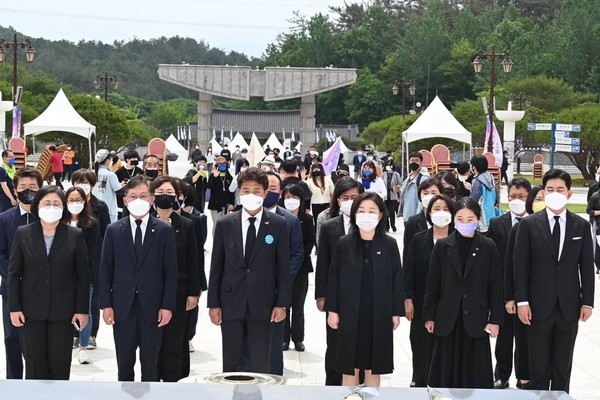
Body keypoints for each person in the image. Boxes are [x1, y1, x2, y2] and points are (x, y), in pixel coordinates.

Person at [514, 169, 594, 393]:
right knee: (538, 368)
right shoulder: (529, 225)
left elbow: (586, 267)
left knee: (562, 367)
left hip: (569, 307)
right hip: (537, 307)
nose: (555, 193)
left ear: (569, 194)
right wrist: (522, 301)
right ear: (543, 191)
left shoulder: (581, 225)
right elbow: (520, 266)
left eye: (560, 189)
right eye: (550, 189)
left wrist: (587, 302)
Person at [207, 167, 291, 373]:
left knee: (260, 362)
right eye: (245, 190)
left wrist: (282, 304)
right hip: (231, 302)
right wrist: (213, 303)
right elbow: (216, 265)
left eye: (256, 190)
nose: (250, 195)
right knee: (232, 361)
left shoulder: (278, 224)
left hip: (263, 303)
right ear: (239, 192)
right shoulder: (226, 223)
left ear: (265, 193)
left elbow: (283, 268)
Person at [99, 175, 178, 381]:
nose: (138, 200)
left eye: (143, 195)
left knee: (150, 364)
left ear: (152, 199)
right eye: (133, 196)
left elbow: (170, 272)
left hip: (152, 307)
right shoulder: (114, 230)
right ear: (125, 201)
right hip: (122, 306)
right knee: (124, 364)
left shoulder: (164, 230)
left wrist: (167, 306)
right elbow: (105, 270)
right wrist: (106, 305)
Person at [8, 186, 89, 380]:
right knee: (34, 364)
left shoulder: (74, 235)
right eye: (47, 203)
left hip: (63, 310)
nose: (51, 207)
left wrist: (82, 309)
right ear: (37, 206)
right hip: (31, 310)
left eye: (56, 203)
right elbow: (13, 273)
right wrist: (14, 307)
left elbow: (83, 276)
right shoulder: (23, 233)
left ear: (63, 207)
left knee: (60, 363)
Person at [423, 197, 503, 388]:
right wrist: (429, 317)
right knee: (445, 373)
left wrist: (495, 319)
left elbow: (495, 285)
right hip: (447, 318)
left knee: (475, 374)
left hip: (476, 318)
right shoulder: (443, 246)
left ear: (477, 219)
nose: (465, 223)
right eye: (460, 219)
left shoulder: (488, 246)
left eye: (470, 219)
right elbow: (432, 285)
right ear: (453, 219)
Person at [326, 192, 404, 387]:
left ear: (380, 215)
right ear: (354, 215)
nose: (366, 215)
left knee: (373, 365)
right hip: (349, 313)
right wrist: (332, 310)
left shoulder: (389, 244)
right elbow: (333, 279)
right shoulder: (344, 243)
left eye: (372, 211)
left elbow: (397, 280)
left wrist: (396, 312)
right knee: (349, 364)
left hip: (379, 313)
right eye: (361, 211)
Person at [248, 171, 303, 375]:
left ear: (279, 193)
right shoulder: (240, 216)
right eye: (266, 188)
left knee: (273, 342)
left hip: (276, 290)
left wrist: (282, 279)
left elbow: (297, 253)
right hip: (248, 291)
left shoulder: (288, 220)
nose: (268, 192)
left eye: (273, 189)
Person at [315, 176, 364, 385]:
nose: (350, 201)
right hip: (337, 296)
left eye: (355, 197)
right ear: (338, 199)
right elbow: (323, 263)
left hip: (364, 295)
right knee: (335, 345)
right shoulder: (329, 226)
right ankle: (333, 387)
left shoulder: (370, 224)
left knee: (362, 345)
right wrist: (321, 295)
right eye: (346, 197)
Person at [151, 176, 200, 382]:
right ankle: (153, 378)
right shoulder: (143, 222)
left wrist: (193, 292)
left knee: (174, 340)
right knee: (152, 341)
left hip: (179, 291)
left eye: (170, 193)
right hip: (150, 291)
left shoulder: (187, 225)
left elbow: (193, 261)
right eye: (160, 193)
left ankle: (173, 382)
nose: (165, 197)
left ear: (178, 196)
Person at [404, 194, 454, 387]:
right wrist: (408, 299)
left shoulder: (457, 239)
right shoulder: (419, 239)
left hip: (448, 303)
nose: (440, 213)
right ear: (428, 213)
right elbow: (409, 271)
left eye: (445, 209)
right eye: (436, 209)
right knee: (421, 344)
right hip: (422, 303)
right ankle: (419, 379)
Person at [486, 177, 531, 389]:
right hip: (504, 291)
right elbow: (493, 262)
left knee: (525, 339)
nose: (517, 200)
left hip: (529, 293)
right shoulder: (497, 224)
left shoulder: (536, 223)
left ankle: (524, 376)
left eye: (521, 196)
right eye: (513, 196)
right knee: (504, 338)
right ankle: (501, 375)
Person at [0, 167, 43, 379]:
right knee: (12, 338)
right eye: (23, 187)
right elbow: (1, 253)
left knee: (37, 342)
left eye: (33, 187)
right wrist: (14, 274)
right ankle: (14, 383)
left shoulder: (47, 219)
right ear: (15, 190)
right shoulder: (4, 219)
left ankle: (37, 384)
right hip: (12, 289)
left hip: (41, 290)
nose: (28, 191)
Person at [503, 185, 542, 391]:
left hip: (547, 298)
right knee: (523, 340)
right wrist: (511, 297)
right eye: (539, 198)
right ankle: (524, 378)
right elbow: (511, 264)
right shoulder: (522, 226)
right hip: (523, 296)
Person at [71, 169, 111, 351]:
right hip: (70, 263)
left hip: (95, 259)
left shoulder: (100, 207)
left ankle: (91, 335)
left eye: (85, 182)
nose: (82, 185)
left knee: (93, 301)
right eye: (78, 181)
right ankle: (74, 335)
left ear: (92, 184)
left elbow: (107, 233)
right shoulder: (68, 205)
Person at [65, 186, 100, 365]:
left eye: (78, 200)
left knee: (85, 311)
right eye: (71, 200)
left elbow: (90, 251)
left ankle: (84, 347)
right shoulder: (59, 222)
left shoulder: (91, 223)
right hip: (62, 276)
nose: (74, 203)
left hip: (85, 275)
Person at [282, 184, 315, 352]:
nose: (290, 201)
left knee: (298, 305)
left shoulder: (307, 219)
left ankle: (298, 338)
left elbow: (310, 240)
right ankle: (284, 338)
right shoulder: (279, 217)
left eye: (294, 197)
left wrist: (300, 255)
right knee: (283, 304)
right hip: (282, 267)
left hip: (301, 268)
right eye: (287, 197)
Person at [403, 179, 444, 262]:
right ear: (420, 196)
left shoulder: (448, 220)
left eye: (433, 193)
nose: (429, 196)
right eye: (425, 193)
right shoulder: (412, 222)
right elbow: (407, 254)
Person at [93, 149, 125, 222]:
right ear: (107, 160)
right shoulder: (110, 175)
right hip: (109, 209)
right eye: (110, 159)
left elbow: (102, 187)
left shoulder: (93, 173)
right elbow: (119, 191)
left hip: (95, 208)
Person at [469, 155, 498, 232]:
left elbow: (472, 201)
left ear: (474, 167)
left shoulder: (478, 181)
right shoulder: (490, 176)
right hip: (492, 214)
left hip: (482, 218)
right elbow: (496, 196)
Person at [206, 156, 235, 233]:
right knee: (217, 225)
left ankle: (223, 243)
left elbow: (231, 191)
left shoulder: (229, 177)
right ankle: (216, 243)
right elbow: (209, 186)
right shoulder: (213, 175)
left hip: (226, 205)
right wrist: (215, 177)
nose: (222, 166)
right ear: (216, 166)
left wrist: (232, 203)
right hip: (215, 205)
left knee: (225, 226)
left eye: (224, 164)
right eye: (220, 164)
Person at [399, 152, 429, 221]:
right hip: (406, 216)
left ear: (421, 163)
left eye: (416, 160)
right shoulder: (407, 178)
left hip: (416, 218)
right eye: (412, 160)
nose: (414, 162)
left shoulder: (423, 178)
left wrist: (418, 216)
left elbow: (423, 200)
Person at [115, 151, 144, 218]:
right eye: (133, 159)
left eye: (136, 159)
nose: (135, 161)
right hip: (122, 199)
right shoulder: (119, 171)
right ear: (127, 160)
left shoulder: (139, 171)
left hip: (136, 198)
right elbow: (115, 186)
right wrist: (120, 184)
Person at [381, 159, 402, 232]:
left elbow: (400, 184)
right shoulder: (383, 174)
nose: (389, 167)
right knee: (385, 212)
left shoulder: (396, 174)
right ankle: (386, 227)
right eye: (388, 165)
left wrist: (396, 187)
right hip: (385, 196)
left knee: (391, 211)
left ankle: (393, 225)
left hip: (393, 196)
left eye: (390, 165)